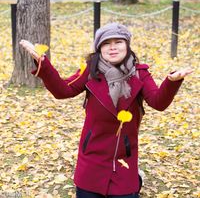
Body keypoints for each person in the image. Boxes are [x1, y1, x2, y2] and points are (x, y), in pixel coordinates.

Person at [20, 23, 192, 198]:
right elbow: (63, 90)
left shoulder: (140, 73)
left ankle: (137, 180)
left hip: (124, 157)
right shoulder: (89, 71)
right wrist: (43, 64)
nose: (112, 47)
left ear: (127, 45)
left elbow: (158, 102)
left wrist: (171, 82)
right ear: (99, 48)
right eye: (106, 43)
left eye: (118, 42)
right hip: (92, 156)